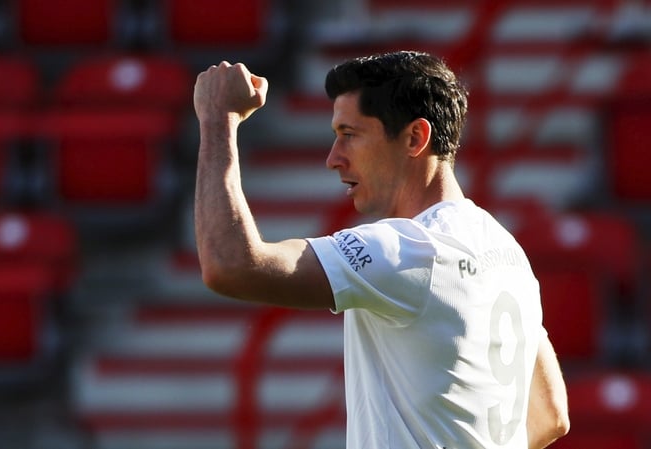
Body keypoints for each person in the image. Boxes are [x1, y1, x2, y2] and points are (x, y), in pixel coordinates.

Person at [193, 51, 569, 449]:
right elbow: (550, 416)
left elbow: (231, 264)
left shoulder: (407, 249)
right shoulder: (507, 252)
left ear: (414, 138)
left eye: (349, 134)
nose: (333, 159)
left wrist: (218, 118)